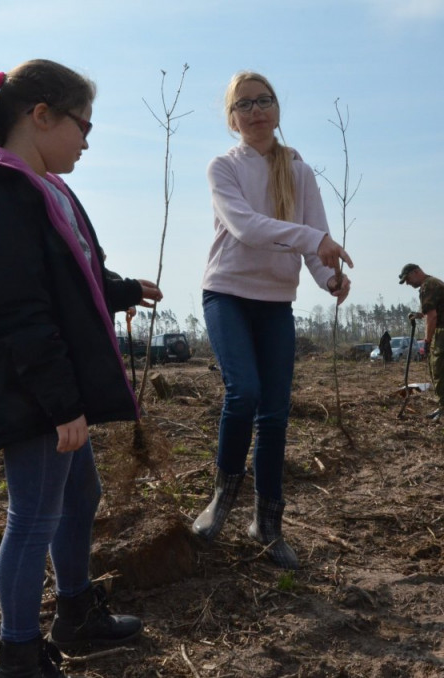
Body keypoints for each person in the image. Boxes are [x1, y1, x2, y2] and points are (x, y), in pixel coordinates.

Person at [0, 60, 160, 677]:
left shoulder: (38, 187)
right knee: (33, 514)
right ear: (41, 116)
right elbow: (17, 312)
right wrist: (63, 403)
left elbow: (63, 278)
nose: (88, 139)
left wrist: (118, 289)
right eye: (84, 125)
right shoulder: (0, 197)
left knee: (80, 493)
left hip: (43, 382)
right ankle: (19, 652)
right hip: (27, 388)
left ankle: (76, 609)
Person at [191, 71, 352, 570]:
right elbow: (246, 228)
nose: (257, 111)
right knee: (245, 392)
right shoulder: (223, 167)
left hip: (275, 302)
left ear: (278, 109)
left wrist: (329, 278)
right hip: (227, 294)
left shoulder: (299, 171)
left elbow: (316, 238)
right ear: (231, 117)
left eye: (265, 101)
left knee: (276, 410)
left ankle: (267, 521)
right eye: (245, 104)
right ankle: (222, 498)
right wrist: (313, 242)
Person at [399, 264, 444, 421]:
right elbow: (431, 311)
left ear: (416, 272)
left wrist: (426, 341)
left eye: (408, 279)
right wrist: (419, 314)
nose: (408, 283)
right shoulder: (432, 284)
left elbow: (432, 315)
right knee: (439, 365)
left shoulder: (428, 286)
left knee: (443, 366)